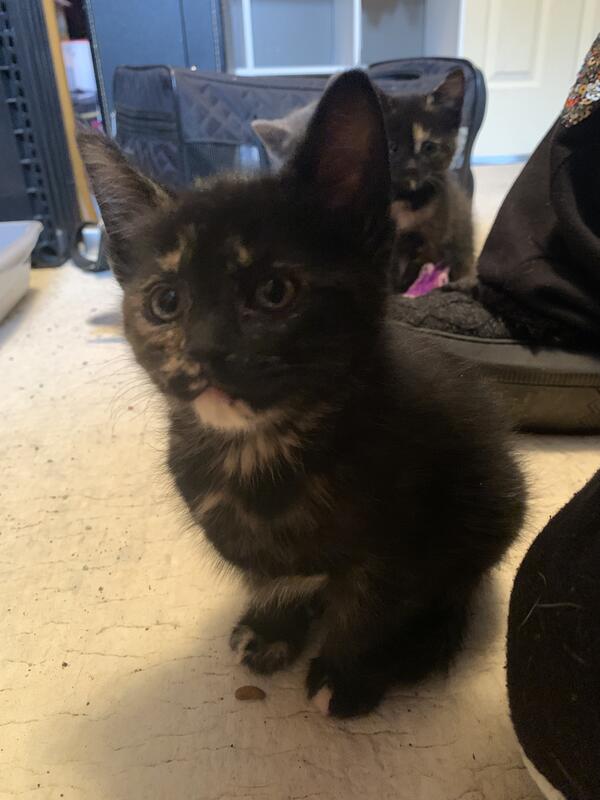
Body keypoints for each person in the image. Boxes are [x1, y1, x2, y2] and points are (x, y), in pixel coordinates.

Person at [390, 35, 600, 433]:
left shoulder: (440, 202)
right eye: (396, 152)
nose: (413, 165)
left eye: (429, 149)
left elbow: (445, 257)